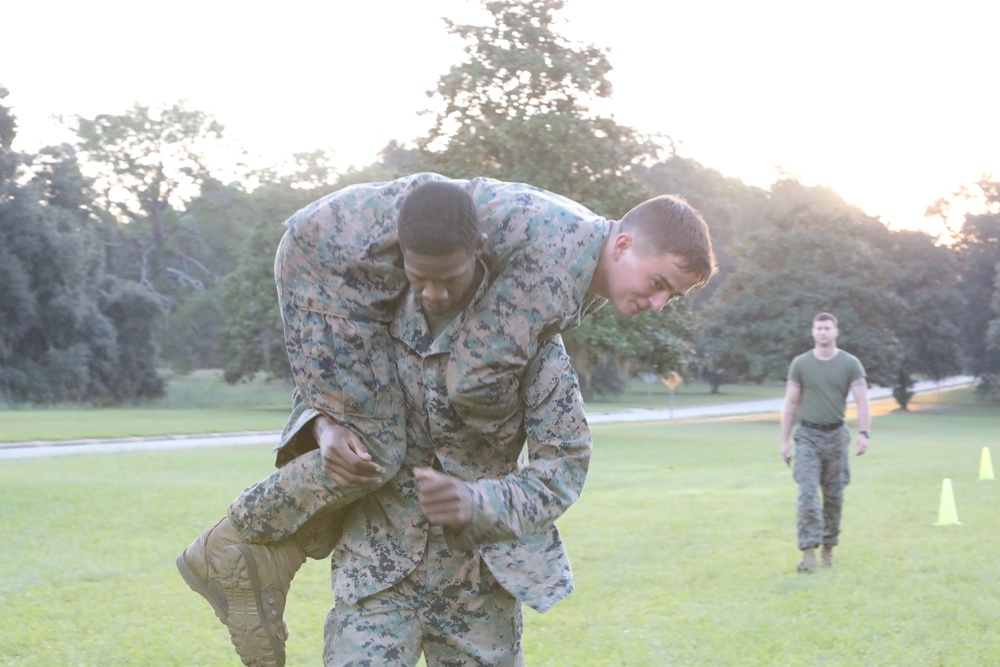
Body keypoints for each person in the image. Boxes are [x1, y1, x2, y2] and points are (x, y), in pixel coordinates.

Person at [177, 176, 716, 665]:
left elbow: (564, 468)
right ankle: (248, 547)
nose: (658, 302)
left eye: (451, 279)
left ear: (482, 256)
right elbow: (323, 383)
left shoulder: (538, 342)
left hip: (477, 584)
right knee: (374, 443)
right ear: (407, 263)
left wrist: (479, 500)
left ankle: (260, 550)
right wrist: (326, 425)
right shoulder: (369, 320)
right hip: (377, 577)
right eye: (660, 283)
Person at [779, 312, 871, 573]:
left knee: (834, 497)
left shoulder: (850, 363)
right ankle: (808, 554)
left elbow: (862, 400)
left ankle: (828, 549)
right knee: (807, 493)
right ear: (813, 332)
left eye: (827, 328)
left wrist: (864, 433)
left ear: (835, 332)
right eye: (818, 328)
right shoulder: (800, 363)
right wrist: (784, 440)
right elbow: (791, 403)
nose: (822, 332)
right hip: (807, 437)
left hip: (837, 437)